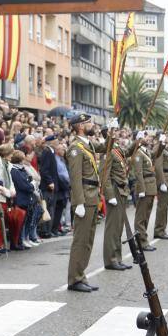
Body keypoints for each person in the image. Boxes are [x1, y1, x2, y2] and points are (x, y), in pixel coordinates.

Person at [65, 113, 104, 293]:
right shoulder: (75, 148)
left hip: (92, 197)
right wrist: (78, 202)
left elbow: (106, 147)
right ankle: (74, 279)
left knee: (88, 241)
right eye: (88, 122)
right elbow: (75, 178)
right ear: (80, 126)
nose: (92, 124)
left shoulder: (87, 145)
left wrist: (109, 132)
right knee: (80, 241)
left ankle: (81, 275)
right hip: (85, 199)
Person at [101, 129, 132, 271]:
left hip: (122, 191)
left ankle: (117, 258)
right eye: (114, 134)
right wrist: (110, 195)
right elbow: (105, 176)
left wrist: (137, 142)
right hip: (114, 191)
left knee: (118, 228)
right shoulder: (108, 151)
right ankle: (110, 259)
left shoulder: (116, 149)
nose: (118, 135)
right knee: (112, 228)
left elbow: (128, 152)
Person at [132, 132, 157, 251]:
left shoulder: (145, 151)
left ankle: (142, 240)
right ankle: (141, 242)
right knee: (141, 217)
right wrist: (141, 189)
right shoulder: (138, 153)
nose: (148, 138)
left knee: (146, 215)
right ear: (139, 138)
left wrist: (161, 144)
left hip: (150, 186)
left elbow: (157, 153)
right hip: (145, 187)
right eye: (145, 136)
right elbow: (138, 172)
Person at [153, 133, 168, 240]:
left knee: (165, 206)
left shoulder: (165, 147)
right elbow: (158, 165)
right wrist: (162, 182)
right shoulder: (158, 147)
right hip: (165, 180)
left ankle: (162, 229)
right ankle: (159, 230)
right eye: (166, 136)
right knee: (162, 207)